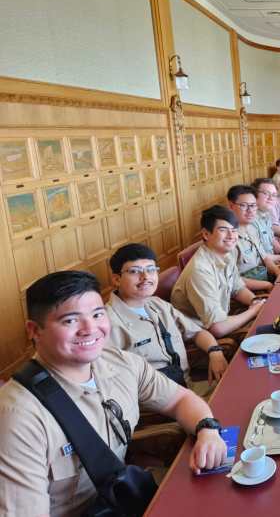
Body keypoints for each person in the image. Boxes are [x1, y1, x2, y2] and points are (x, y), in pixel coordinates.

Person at [0, 271, 227, 516]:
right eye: (70, 321)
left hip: (123, 499)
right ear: (34, 330)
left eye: (98, 314)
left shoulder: (120, 362)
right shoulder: (18, 416)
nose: (90, 329)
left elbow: (180, 399)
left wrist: (207, 430)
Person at [106, 244, 229, 389]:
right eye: (134, 271)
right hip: (159, 399)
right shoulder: (107, 323)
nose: (145, 277)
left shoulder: (157, 304)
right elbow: (113, 383)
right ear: (117, 279)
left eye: (151, 270)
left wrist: (215, 352)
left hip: (189, 385)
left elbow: (196, 332)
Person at [171, 205, 265, 338]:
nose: (231, 236)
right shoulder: (200, 271)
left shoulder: (226, 252)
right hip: (202, 336)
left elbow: (237, 288)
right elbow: (218, 328)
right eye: (223, 230)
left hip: (224, 319)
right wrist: (254, 311)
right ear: (206, 234)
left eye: (234, 230)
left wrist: (255, 301)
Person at [227, 185, 279, 289]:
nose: (250, 210)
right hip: (248, 292)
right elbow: (232, 280)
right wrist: (268, 286)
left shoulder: (251, 228)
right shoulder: (228, 238)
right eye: (244, 206)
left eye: (253, 205)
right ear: (231, 206)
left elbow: (264, 257)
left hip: (265, 280)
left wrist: (278, 272)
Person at [252, 178, 280, 264]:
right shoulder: (250, 219)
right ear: (254, 195)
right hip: (261, 268)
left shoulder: (266, 214)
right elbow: (258, 257)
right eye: (266, 193)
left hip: (274, 261)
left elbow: (271, 239)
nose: (271, 198)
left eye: (274, 195)